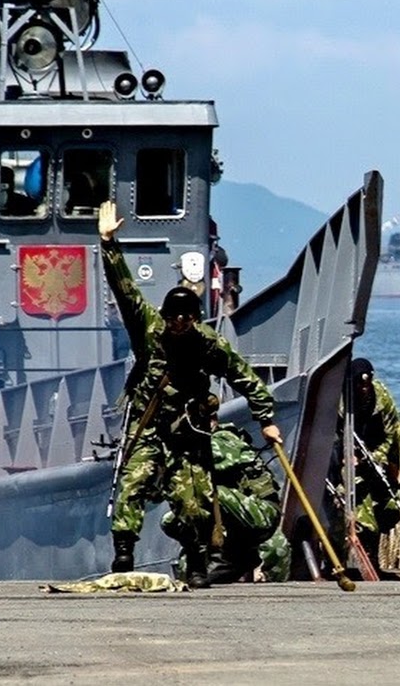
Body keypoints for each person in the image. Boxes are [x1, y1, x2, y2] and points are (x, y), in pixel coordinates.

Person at [99, 201, 282, 588]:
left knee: (193, 500)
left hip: (189, 431)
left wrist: (266, 420)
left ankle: (198, 562)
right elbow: (125, 290)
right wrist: (108, 244)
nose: (178, 323)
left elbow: (244, 376)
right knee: (132, 484)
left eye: (186, 318)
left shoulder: (208, 344)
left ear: (195, 319)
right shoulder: (149, 330)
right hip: (149, 423)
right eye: (173, 317)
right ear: (164, 316)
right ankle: (123, 554)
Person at [161, 395, 290, 584]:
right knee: (172, 519)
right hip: (234, 514)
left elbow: (211, 460)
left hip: (261, 513)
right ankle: (223, 554)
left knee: (207, 493)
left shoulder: (224, 438)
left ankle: (225, 556)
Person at [331, 358, 400, 575]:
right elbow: (328, 434)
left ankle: (370, 555)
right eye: (359, 384)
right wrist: (344, 456)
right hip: (344, 465)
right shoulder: (339, 400)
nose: (364, 388)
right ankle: (344, 560)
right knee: (350, 504)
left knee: (390, 508)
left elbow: (392, 434)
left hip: (373, 462)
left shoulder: (381, 398)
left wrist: (374, 457)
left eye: (367, 383)